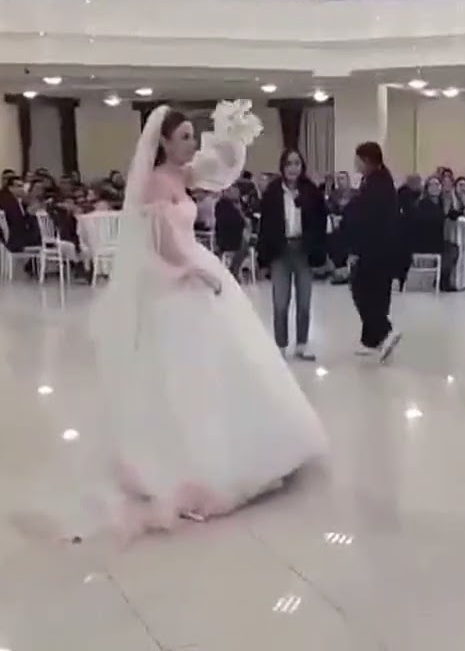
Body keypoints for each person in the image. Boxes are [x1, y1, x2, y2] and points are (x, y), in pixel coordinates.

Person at [61, 105, 326, 536]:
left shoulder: (181, 176)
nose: (190, 143)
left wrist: (232, 137)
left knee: (228, 361)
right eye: (184, 137)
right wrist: (193, 271)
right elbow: (161, 244)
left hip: (197, 266)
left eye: (192, 136)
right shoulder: (154, 182)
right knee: (188, 376)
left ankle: (259, 441)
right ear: (163, 141)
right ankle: (196, 463)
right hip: (176, 281)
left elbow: (220, 171)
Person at [257, 149, 328, 361]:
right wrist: (263, 259)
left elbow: (320, 222)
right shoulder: (272, 192)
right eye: (289, 163)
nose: (293, 168)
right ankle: (280, 345)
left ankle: (302, 344)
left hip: (303, 250)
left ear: (302, 166)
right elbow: (265, 227)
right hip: (280, 251)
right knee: (280, 302)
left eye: (297, 163)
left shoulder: (311, 191)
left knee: (304, 302)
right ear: (282, 166)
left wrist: (318, 250)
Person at [342, 141, 405, 361]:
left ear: (367, 160)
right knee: (375, 293)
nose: (355, 163)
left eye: (358, 159)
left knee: (363, 291)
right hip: (379, 246)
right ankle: (370, 340)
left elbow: (367, 216)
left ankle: (385, 331)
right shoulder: (375, 180)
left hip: (376, 247)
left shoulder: (379, 184)